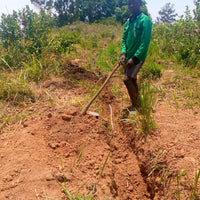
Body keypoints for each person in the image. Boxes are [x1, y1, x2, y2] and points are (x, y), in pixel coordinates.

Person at [119, 0, 152, 112]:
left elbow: (145, 42)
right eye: (130, 3)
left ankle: (135, 106)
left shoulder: (145, 20)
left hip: (139, 56)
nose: (131, 5)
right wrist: (123, 53)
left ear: (139, 4)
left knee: (127, 79)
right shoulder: (128, 22)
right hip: (128, 56)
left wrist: (134, 58)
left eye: (134, 3)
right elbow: (124, 39)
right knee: (132, 79)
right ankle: (138, 103)